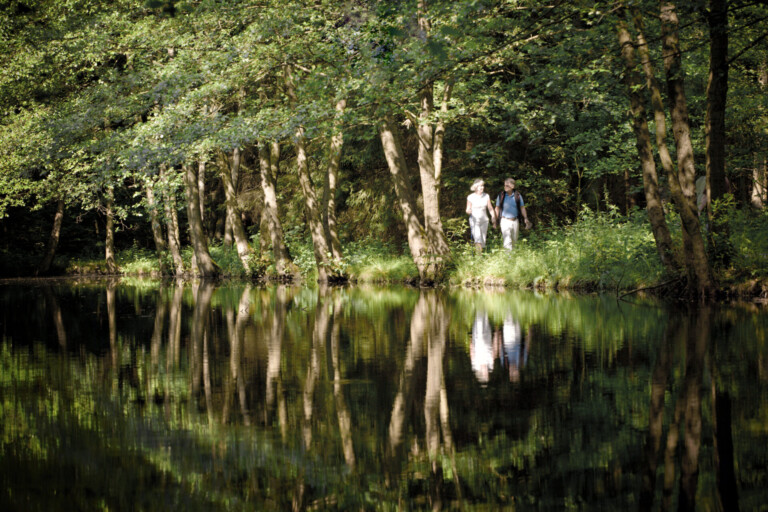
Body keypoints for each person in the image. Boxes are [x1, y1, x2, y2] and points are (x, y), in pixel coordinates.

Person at [493, 178, 531, 251]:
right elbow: (497, 208)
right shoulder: (501, 195)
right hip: (504, 220)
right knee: (507, 241)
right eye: (505, 185)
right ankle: (508, 258)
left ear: (513, 186)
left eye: (507, 185)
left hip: (515, 221)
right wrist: (495, 221)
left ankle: (512, 257)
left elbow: (522, 208)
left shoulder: (518, 195)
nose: (505, 187)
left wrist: (525, 218)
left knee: (514, 241)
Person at [466, 179, 496, 253]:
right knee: (477, 239)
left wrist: (493, 217)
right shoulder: (470, 197)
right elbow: (467, 209)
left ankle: (480, 257)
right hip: (474, 220)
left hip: (484, 220)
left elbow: (490, 208)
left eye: (482, 186)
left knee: (482, 240)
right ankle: (479, 258)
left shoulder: (486, 196)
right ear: (475, 187)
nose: (482, 187)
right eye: (480, 186)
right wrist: (468, 211)